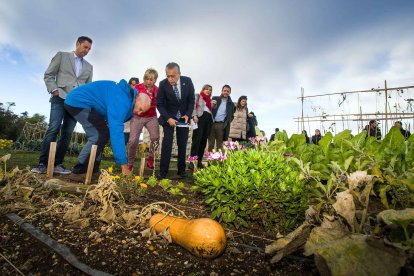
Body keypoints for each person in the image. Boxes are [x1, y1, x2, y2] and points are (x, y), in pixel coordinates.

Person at [31, 36, 93, 174]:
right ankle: (43, 163)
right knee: (53, 128)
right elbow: (48, 74)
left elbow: (87, 88)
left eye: (89, 49)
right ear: (78, 44)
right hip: (59, 98)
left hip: (75, 104)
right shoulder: (62, 56)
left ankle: (58, 164)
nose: (87, 50)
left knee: (67, 133)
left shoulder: (89, 67)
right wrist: (54, 90)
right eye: (85, 47)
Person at [64, 79, 136, 176]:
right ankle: (80, 170)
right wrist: (123, 164)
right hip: (79, 102)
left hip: (81, 102)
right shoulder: (122, 100)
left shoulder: (125, 95)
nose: (139, 113)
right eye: (140, 109)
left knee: (103, 134)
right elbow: (116, 132)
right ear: (138, 98)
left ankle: (92, 168)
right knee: (98, 135)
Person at [156, 62, 195, 179]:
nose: (170, 79)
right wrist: (168, 118)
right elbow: (159, 104)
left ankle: (181, 171)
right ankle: (163, 172)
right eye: (168, 76)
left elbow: (191, 101)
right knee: (167, 144)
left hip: (183, 118)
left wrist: (188, 114)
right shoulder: (163, 84)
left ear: (179, 74)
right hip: (168, 117)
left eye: (173, 76)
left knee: (182, 144)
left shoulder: (187, 81)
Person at [127, 69, 159, 171]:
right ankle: (130, 163)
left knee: (155, 137)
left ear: (155, 80)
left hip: (151, 117)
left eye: (151, 79)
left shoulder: (157, 90)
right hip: (137, 117)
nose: (148, 81)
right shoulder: (137, 87)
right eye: (146, 79)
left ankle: (151, 159)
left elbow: (161, 103)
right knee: (133, 141)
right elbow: (130, 100)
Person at [189, 84, 214, 169]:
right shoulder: (198, 96)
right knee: (196, 140)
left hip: (208, 120)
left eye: (210, 90)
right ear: (203, 89)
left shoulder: (210, 101)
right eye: (206, 89)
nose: (208, 90)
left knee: (203, 142)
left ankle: (199, 162)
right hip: (199, 118)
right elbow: (193, 106)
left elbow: (210, 112)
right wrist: (194, 115)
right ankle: (192, 162)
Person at [208, 85, 234, 151]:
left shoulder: (231, 104)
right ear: (222, 91)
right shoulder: (215, 98)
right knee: (211, 144)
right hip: (212, 123)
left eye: (227, 91)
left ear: (230, 92)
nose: (226, 92)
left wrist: (226, 123)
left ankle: (218, 160)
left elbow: (231, 116)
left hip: (221, 125)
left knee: (219, 145)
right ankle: (209, 160)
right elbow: (209, 108)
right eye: (224, 91)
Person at [123, 77, 140, 146]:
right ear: (129, 85)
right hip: (125, 126)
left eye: (136, 85)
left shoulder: (138, 96)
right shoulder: (125, 95)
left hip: (134, 125)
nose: (134, 87)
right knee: (123, 142)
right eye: (132, 85)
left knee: (132, 144)